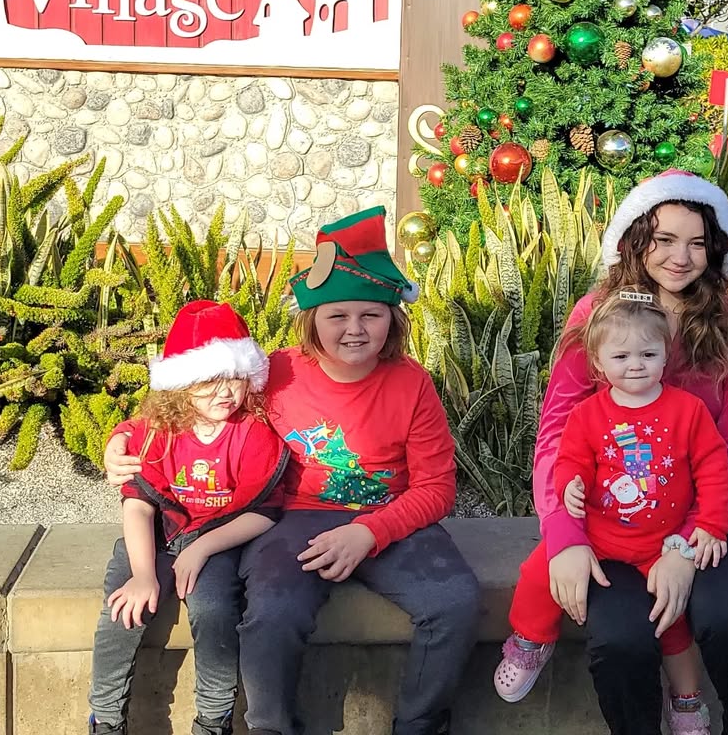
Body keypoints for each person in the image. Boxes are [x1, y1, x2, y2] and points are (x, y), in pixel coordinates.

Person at [104, 207, 481, 735]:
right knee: (273, 613)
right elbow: (190, 405)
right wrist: (119, 437)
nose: (354, 330)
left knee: (455, 602)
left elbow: (437, 488)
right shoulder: (276, 372)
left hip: (388, 517)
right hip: (291, 517)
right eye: (337, 316)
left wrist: (368, 532)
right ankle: (271, 727)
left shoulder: (411, 383)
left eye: (370, 315)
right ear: (312, 321)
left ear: (393, 320)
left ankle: (419, 724)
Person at [537, 169, 728, 735]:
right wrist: (563, 539)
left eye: (696, 243)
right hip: (610, 521)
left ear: (715, 250)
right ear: (637, 240)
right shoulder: (596, 315)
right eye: (664, 240)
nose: (680, 257)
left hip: (707, 517)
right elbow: (556, 435)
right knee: (619, 641)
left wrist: (687, 545)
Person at [494, 288, 728, 735]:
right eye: (621, 355)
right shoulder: (587, 414)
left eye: (648, 353)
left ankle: (685, 698)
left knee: (673, 621)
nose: (636, 364)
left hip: (661, 545)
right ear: (599, 364)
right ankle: (530, 640)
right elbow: (569, 461)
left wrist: (712, 526)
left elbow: (714, 472)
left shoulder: (689, 411)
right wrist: (571, 485)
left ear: (666, 357)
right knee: (536, 573)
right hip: (600, 535)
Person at [89, 300, 290, 735]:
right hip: (156, 537)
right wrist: (144, 575)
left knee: (215, 609)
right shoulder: (159, 429)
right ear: (180, 384)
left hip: (218, 539)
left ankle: (214, 720)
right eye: (208, 380)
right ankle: (105, 718)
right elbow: (138, 504)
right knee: (121, 611)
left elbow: (265, 512)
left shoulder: (252, 432)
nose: (224, 392)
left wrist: (201, 549)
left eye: (235, 378)